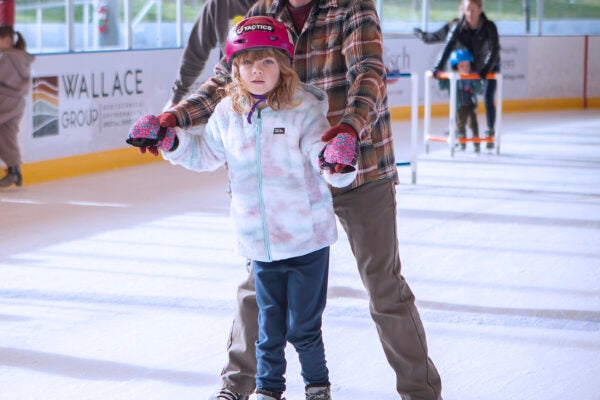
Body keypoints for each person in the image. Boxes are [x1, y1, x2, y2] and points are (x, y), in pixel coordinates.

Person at [154, 1, 443, 399]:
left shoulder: (352, 7)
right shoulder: (265, 8)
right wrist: (176, 118)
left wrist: (348, 131)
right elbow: (226, 77)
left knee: (384, 287)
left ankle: (420, 393)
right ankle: (236, 387)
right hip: (285, 178)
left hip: (357, 162)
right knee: (258, 282)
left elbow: (369, 74)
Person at [128, 16, 358, 400]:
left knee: (303, 327)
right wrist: (170, 140)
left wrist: (336, 161)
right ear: (234, 68)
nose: (257, 70)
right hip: (259, 244)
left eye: (267, 61)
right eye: (248, 62)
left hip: (305, 241)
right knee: (268, 327)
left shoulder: (303, 110)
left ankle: (318, 387)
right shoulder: (227, 114)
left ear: (283, 65)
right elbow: (204, 154)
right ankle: (269, 390)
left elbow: (321, 154)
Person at [433, 0, 500, 149]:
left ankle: (490, 131)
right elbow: (448, 46)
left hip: (490, 65)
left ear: (480, 9)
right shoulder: (459, 26)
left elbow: (494, 50)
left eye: (472, 10)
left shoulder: (489, 27)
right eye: (466, 10)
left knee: (488, 97)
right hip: (474, 65)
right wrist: (437, 67)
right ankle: (460, 129)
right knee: (463, 96)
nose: (469, 14)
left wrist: (485, 71)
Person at [169, 0, 257, 107]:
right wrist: (176, 98)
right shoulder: (218, 4)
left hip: (277, 94)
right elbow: (195, 52)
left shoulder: (278, 6)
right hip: (235, 92)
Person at [0, 24, 34, 188]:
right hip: (17, 102)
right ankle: (14, 171)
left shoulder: (7, 58)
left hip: (5, 100)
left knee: (6, 136)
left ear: (6, 40)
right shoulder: (21, 57)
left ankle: (14, 170)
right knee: (7, 136)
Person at [438, 49, 483, 152]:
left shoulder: (471, 76)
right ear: (456, 66)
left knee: (473, 124)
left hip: (470, 105)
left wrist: (476, 80)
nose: (465, 68)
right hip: (459, 106)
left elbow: (478, 89)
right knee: (460, 125)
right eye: (462, 66)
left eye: (467, 65)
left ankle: (477, 144)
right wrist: (441, 76)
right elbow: (442, 86)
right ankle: (462, 144)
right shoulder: (452, 77)